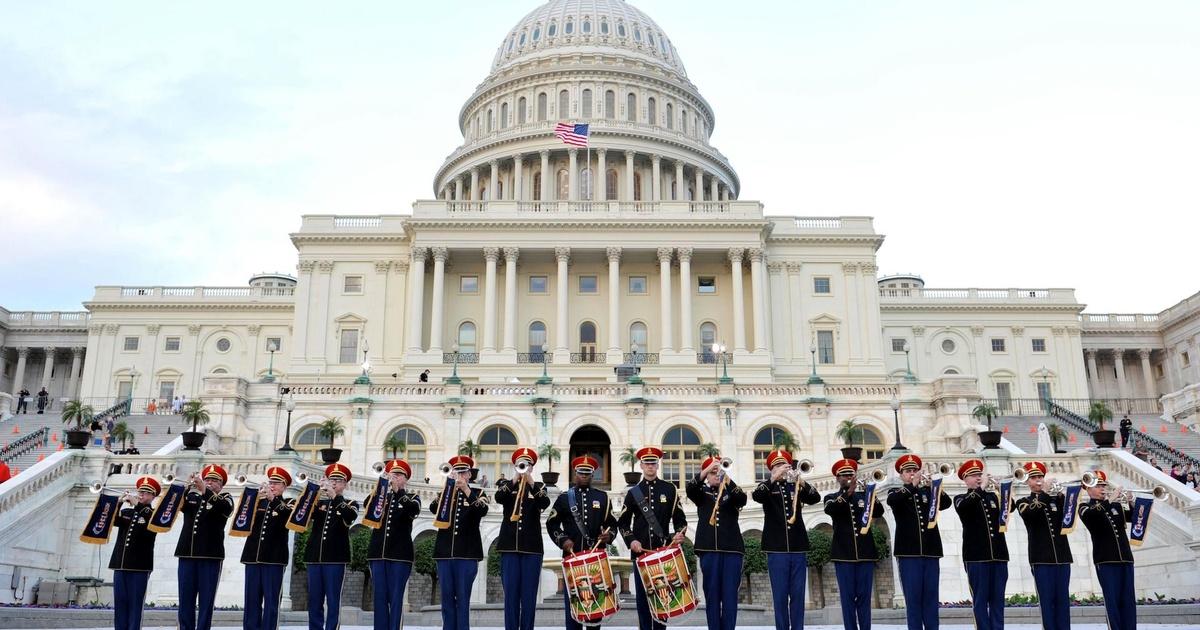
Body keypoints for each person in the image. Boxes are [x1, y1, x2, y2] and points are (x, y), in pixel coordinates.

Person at [616, 446, 687, 630]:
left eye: (653, 463)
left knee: (663, 598)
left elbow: (680, 519)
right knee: (643, 600)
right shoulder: (634, 493)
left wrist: (680, 534)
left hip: (663, 553)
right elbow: (623, 523)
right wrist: (631, 540)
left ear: (658, 465)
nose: (650, 466)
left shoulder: (669, 489)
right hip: (641, 555)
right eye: (647, 463)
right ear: (641, 465)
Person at [546, 455, 618, 630]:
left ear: (592, 475)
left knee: (596, 606)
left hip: (596, 561)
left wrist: (609, 536)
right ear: (575, 474)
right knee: (573, 610)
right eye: (580, 473)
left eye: (587, 473)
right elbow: (552, 523)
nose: (584, 476)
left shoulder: (603, 498)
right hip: (573, 559)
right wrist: (562, 539)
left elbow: (612, 524)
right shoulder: (564, 498)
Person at [752, 449, 819, 630]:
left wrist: (800, 481)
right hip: (777, 549)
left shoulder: (795, 486)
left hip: (798, 548)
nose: (782, 468)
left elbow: (815, 497)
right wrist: (774, 478)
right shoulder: (768, 487)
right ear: (772, 469)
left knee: (798, 596)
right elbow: (756, 496)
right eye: (778, 466)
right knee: (780, 596)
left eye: (784, 465)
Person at [885, 454, 950, 630]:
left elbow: (945, 503)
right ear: (901, 475)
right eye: (908, 471)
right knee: (913, 600)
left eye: (915, 470)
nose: (912, 474)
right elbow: (893, 501)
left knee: (930, 598)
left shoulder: (927, 493)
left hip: (931, 551)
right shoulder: (896, 492)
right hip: (909, 554)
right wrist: (912, 486)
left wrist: (934, 487)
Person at [687, 454, 746, 630]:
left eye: (718, 472)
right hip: (709, 550)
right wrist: (706, 470)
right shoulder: (701, 494)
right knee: (712, 595)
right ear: (706, 476)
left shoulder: (731, 492)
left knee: (730, 596)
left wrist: (726, 478)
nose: (716, 475)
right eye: (713, 473)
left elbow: (742, 499)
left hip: (732, 551)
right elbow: (690, 488)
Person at [494, 447, 550, 630]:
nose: (524, 467)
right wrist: (515, 479)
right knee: (510, 596)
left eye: (528, 465)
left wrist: (531, 482)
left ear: (532, 467)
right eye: (521, 464)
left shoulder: (539, 487)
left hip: (531, 549)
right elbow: (499, 497)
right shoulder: (506, 484)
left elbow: (544, 503)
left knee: (529, 596)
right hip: (509, 548)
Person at [824, 458, 884, 630]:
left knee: (865, 598)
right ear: (837, 478)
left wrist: (870, 493)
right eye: (844, 475)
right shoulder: (832, 497)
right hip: (844, 556)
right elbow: (831, 510)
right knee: (847, 598)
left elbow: (878, 511)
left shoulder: (863, 497)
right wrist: (848, 492)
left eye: (851, 474)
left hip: (865, 554)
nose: (848, 477)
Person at [430, 455, 488, 630]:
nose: (459, 475)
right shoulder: (445, 495)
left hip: (467, 555)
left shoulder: (478, 494)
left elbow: (481, 510)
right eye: (456, 472)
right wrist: (448, 489)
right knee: (446, 599)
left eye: (463, 472)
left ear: (469, 474)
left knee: (463, 599)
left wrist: (466, 491)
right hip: (445, 554)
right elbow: (434, 508)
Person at [1014, 461, 1072, 630]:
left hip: (1062, 557)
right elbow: (1032, 514)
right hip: (1041, 559)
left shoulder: (1055, 500)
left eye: (1040, 477)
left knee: (1063, 602)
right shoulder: (1023, 501)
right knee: (1047, 602)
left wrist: (1063, 494)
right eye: (1034, 478)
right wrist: (1045, 493)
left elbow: (1070, 516)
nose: (1038, 480)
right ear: (1027, 481)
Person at [175, 465, 235, 630]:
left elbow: (225, 510)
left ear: (221, 485)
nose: (209, 482)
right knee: (185, 598)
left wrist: (205, 491)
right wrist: (187, 488)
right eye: (207, 479)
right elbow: (176, 507)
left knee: (206, 601)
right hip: (187, 554)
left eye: (214, 481)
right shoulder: (193, 496)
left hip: (210, 556)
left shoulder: (226, 498)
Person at [953, 459, 1009, 630]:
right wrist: (981, 488)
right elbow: (965, 507)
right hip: (976, 557)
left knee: (998, 600)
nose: (978, 478)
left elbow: (1009, 509)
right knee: (980, 600)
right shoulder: (961, 498)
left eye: (979, 474)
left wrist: (1003, 491)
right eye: (974, 475)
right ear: (965, 479)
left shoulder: (993, 497)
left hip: (998, 555)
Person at [1078, 470, 1137, 630]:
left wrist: (1131, 502)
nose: (1102, 488)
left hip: (1125, 558)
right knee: (1112, 601)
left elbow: (1135, 517)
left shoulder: (1115, 506)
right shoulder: (1084, 507)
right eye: (1098, 485)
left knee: (1128, 601)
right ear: (1088, 488)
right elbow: (1093, 516)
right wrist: (1111, 499)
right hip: (1105, 560)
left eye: (1103, 485)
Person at [367, 459, 421, 630]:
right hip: (378, 554)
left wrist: (398, 492)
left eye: (398, 475)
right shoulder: (380, 496)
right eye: (392, 474)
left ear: (406, 479)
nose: (394, 478)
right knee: (380, 598)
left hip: (399, 556)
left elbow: (413, 510)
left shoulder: (412, 498)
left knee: (396, 599)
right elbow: (368, 509)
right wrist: (381, 486)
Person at [305, 463, 360, 630]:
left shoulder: (351, 503)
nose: (334, 483)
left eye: (338, 480)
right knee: (314, 600)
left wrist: (335, 497)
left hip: (335, 559)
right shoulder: (319, 502)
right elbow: (303, 514)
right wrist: (314, 492)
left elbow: (349, 517)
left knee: (333, 600)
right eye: (331, 480)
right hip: (314, 557)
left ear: (345, 484)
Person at [241, 466, 295, 630]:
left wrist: (273, 499)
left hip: (274, 559)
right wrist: (252, 499)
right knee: (251, 601)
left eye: (277, 483)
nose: (272, 485)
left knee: (271, 602)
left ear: (284, 487)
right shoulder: (258, 502)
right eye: (271, 482)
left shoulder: (289, 503)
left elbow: (288, 517)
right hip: (252, 557)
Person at [110, 476, 161, 630]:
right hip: (120, 564)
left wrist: (137, 504)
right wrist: (118, 502)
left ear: (153, 496)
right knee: (120, 603)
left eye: (146, 493)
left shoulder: (153, 514)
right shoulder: (127, 512)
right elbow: (110, 521)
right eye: (140, 492)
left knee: (135, 604)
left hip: (139, 566)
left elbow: (147, 527)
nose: (142, 495)